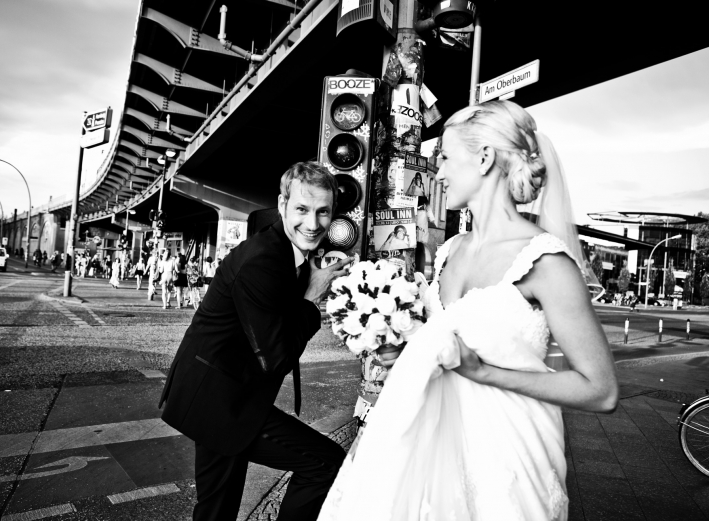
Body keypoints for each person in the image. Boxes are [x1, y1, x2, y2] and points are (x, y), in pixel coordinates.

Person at [318, 101, 619, 521]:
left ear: (483, 158)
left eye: (444, 157)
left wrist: (485, 372)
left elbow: (601, 391)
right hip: (432, 455)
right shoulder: (448, 252)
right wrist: (403, 352)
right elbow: (445, 346)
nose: (437, 172)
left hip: (507, 463)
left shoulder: (547, 263)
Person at [159, 162, 352, 521]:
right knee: (324, 464)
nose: (313, 224)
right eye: (302, 209)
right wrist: (310, 300)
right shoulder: (262, 261)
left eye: (323, 211)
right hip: (220, 400)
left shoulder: (283, 248)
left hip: (226, 393)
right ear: (282, 205)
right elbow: (275, 358)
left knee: (217, 509)